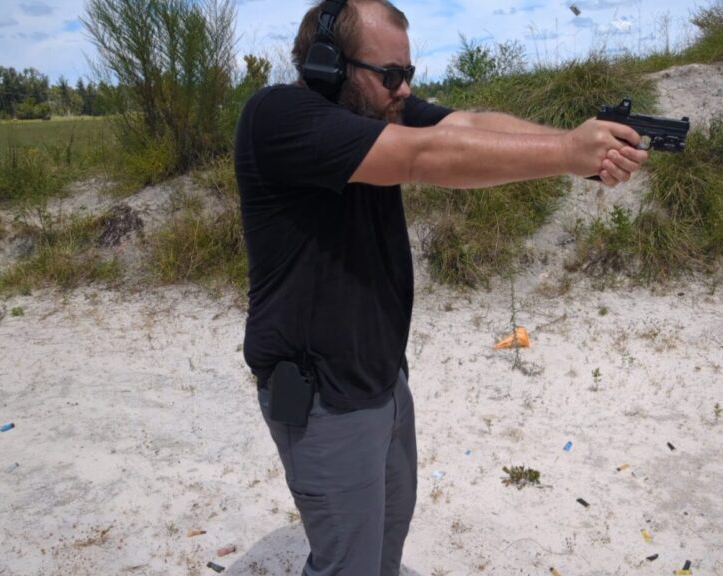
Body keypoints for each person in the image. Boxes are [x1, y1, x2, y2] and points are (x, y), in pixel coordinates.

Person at [233, 1, 649, 574]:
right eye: (392, 76)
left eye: (409, 74)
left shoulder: (379, 108)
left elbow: (468, 126)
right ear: (330, 64)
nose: (405, 89)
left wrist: (579, 150)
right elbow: (425, 157)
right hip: (323, 399)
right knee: (346, 564)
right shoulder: (280, 117)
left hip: (382, 378)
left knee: (385, 542)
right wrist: (564, 154)